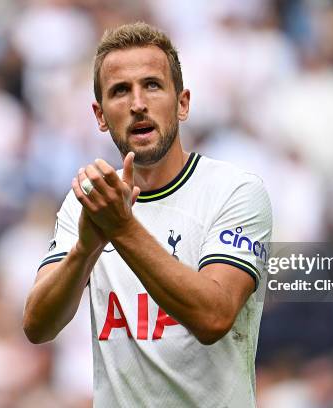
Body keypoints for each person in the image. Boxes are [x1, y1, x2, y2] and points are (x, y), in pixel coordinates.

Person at [22, 22, 272, 407]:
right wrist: (84, 250)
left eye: (152, 85)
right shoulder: (87, 202)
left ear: (183, 103)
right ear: (100, 114)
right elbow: (38, 326)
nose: (137, 103)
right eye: (120, 91)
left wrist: (120, 228)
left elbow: (213, 317)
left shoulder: (234, 191)